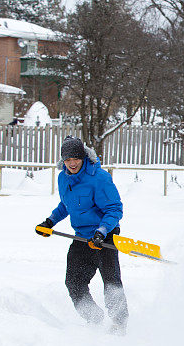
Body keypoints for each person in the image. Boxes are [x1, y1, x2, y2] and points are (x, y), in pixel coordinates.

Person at [35, 136, 129, 335]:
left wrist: (101, 232)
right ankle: (94, 319)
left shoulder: (99, 178)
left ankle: (120, 324)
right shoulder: (63, 177)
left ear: (83, 157)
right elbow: (66, 204)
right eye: (68, 159)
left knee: (111, 282)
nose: (72, 163)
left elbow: (114, 209)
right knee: (74, 282)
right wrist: (50, 221)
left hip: (106, 235)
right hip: (82, 237)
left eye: (76, 158)